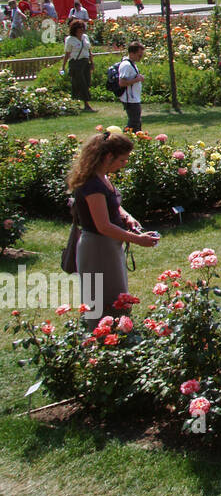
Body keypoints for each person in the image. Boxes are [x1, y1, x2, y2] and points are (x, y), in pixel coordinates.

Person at [68, 132, 159, 327]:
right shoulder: (91, 184)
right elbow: (103, 225)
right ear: (108, 157)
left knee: (116, 293)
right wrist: (138, 240)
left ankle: (118, 334)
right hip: (98, 248)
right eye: (122, 159)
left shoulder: (102, 178)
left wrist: (127, 216)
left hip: (109, 245)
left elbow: (113, 205)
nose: (124, 163)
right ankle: (100, 340)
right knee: (102, 298)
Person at [61, 18, 95, 111]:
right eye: (79, 27)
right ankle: (86, 104)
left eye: (82, 27)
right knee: (80, 83)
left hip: (85, 62)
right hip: (76, 63)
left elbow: (89, 50)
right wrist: (63, 66)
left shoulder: (85, 37)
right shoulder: (69, 39)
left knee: (87, 82)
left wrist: (92, 62)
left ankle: (75, 102)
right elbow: (67, 53)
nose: (81, 29)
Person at [117, 41, 145, 131]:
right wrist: (137, 79)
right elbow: (121, 83)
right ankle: (124, 140)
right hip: (130, 99)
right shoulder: (126, 65)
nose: (140, 57)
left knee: (136, 122)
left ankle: (137, 139)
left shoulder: (132, 64)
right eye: (139, 55)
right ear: (132, 53)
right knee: (134, 123)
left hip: (134, 98)